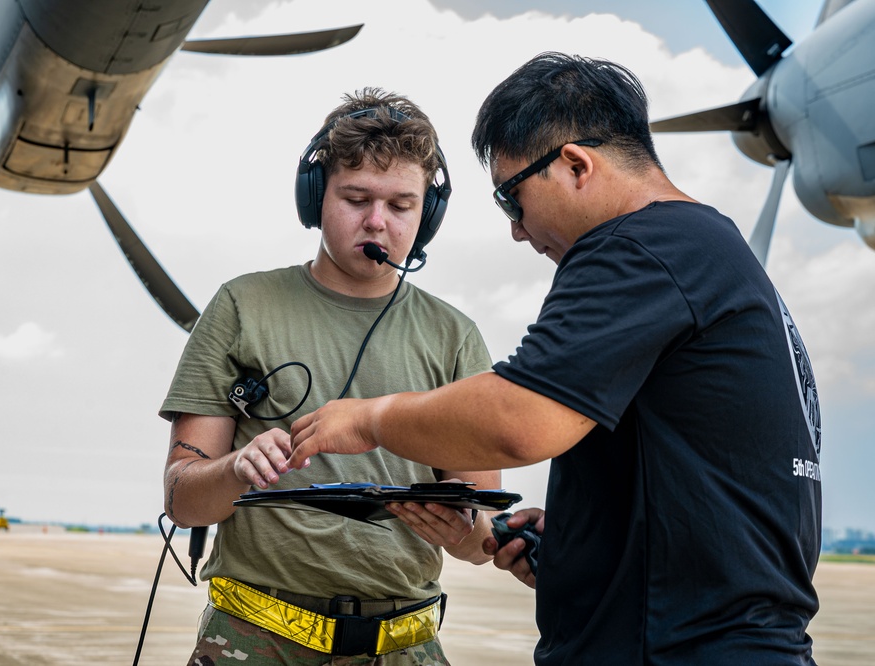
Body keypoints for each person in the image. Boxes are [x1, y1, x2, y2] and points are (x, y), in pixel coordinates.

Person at [288, 53, 822, 665]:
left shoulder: (638, 249)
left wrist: (367, 420)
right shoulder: (707, 252)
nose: (517, 229)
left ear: (573, 165)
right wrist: (586, 548)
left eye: (511, 198)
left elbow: (517, 422)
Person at [159, 87, 500, 665]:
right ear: (315, 197)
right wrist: (237, 469)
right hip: (253, 640)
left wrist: (464, 531)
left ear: (429, 215)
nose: (377, 222)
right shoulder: (242, 306)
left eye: (401, 205)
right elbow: (182, 500)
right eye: (356, 197)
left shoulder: (455, 337)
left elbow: (482, 534)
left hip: (404, 645)